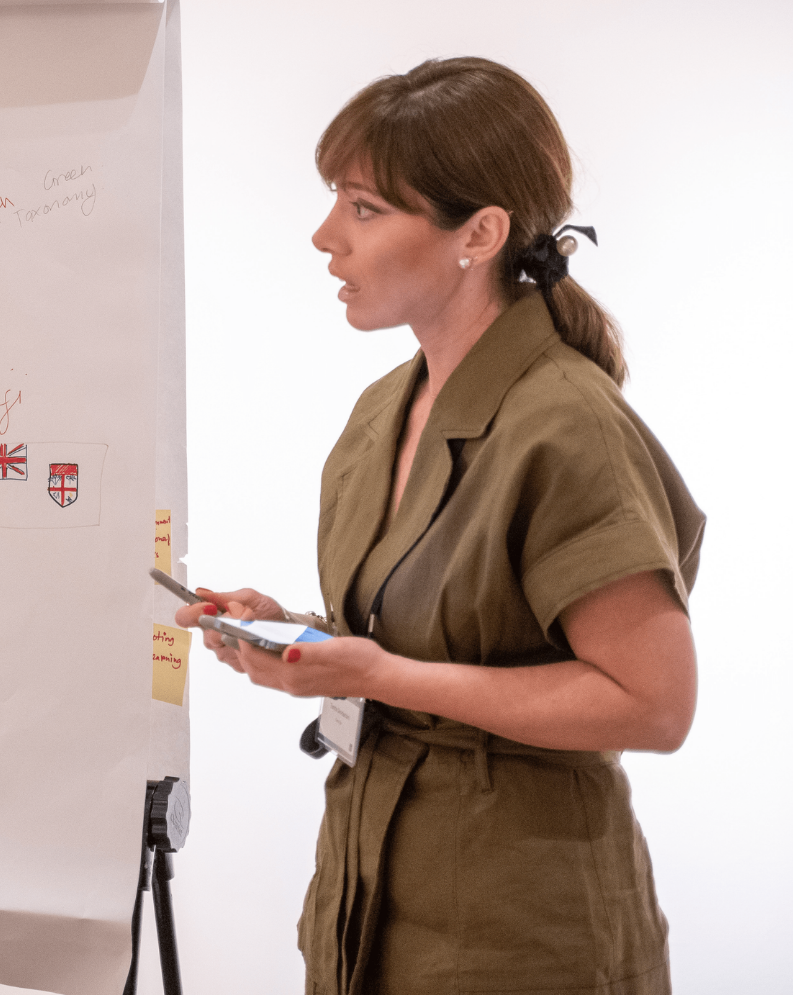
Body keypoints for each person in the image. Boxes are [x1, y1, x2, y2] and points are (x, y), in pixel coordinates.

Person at [176, 58, 704, 995]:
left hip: (519, 933)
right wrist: (298, 635)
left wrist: (378, 675)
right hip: (373, 903)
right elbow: (430, 632)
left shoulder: (566, 424)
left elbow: (653, 704)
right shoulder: (387, 406)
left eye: (364, 207)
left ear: (480, 233)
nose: (325, 235)